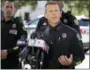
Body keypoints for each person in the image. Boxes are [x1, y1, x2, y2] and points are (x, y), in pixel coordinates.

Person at [34, 1, 85, 69]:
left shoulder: (72, 33)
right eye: (50, 11)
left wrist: (71, 62)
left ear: (60, 13)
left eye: (56, 10)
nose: (54, 13)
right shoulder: (40, 33)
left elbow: (81, 56)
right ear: (45, 15)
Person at [1, 0, 27, 69]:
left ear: (14, 10)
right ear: (2, 8)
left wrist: (8, 51)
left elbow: (22, 43)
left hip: (13, 63)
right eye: (7, 7)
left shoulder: (19, 24)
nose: (9, 9)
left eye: (11, 7)